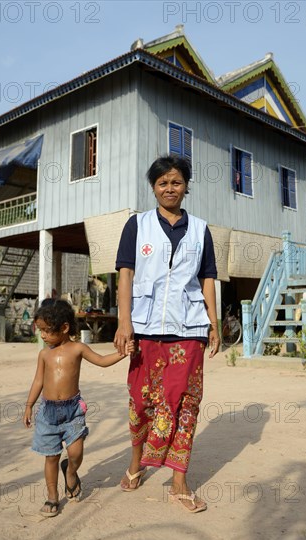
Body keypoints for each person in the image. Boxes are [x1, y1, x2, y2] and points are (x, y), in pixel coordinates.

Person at [114, 155, 220, 513]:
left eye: (176, 182)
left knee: (185, 404)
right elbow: (125, 274)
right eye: (162, 183)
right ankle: (136, 463)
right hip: (144, 328)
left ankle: (179, 482)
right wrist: (123, 321)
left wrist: (213, 323)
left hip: (189, 328)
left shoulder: (201, 229)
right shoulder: (137, 225)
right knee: (140, 401)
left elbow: (207, 278)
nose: (169, 188)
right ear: (153, 187)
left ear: (186, 185)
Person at [23, 299, 133, 518]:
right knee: (51, 457)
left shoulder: (78, 349)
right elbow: (38, 382)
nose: (43, 336)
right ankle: (52, 497)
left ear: (64, 328)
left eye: (46, 331)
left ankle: (71, 473)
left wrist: (123, 353)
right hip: (48, 413)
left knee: (76, 452)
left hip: (72, 411)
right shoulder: (44, 355)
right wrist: (29, 405)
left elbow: (101, 360)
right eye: (40, 331)